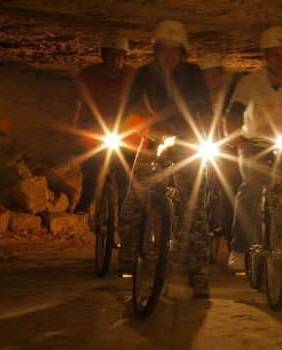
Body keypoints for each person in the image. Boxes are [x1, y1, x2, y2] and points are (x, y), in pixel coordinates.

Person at [117, 19, 213, 298]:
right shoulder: (143, 74)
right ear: (156, 50)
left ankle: (198, 271)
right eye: (164, 49)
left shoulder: (194, 75)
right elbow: (128, 107)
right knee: (135, 197)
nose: (169, 55)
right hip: (152, 138)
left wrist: (206, 139)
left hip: (185, 141)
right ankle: (129, 257)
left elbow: (204, 110)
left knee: (194, 204)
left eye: (175, 50)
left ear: (182, 52)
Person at [225, 25, 282, 291]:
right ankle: (241, 250)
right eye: (275, 55)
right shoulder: (250, 83)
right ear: (266, 57)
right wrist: (235, 135)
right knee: (252, 186)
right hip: (256, 145)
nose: (281, 60)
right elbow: (234, 114)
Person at [74, 31, 135, 215]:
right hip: (96, 125)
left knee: (125, 171)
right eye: (111, 54)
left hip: (122, 128)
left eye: (119, 54)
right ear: (103, 55)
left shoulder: (132, 76)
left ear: (124, 57)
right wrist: (74, 129)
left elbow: (143, 104)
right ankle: (86, 202)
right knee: (91, 165)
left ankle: (125, 210)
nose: (115, 59)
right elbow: (77, 102)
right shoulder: (88, 75)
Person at [198, 52, 242, 246]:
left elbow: (237, 121)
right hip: (201, 145)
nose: (214, 78)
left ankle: (233, 237)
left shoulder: (231, 97)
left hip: (225, 148)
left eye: (217, 74)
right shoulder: (195, 98)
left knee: (230, 187)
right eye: (209, 74)